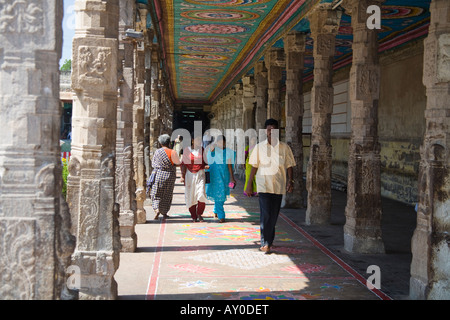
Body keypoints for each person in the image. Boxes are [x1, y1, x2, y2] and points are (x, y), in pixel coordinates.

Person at [245, 119, 296, 254]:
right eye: (268, 130)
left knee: (273, 215)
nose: (271, 132)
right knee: (266, 214)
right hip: (264, 185)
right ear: (265, 131)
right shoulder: (259, 147)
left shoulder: (284, 148)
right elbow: (253, 167)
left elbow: (290, 165)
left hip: (278, 186)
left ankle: (269, 240)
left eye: (273, 129)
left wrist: (291, 181)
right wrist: (249, 185)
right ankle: (265, 242)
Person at [149, 134, 181, 220]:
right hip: (170, 175)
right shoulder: (172, 152)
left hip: (159, 174)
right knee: (167, 194)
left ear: (160, 143)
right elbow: (178, 163)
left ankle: (156, 209)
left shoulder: (157, 152)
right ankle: (165, 212)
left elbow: (153, 164)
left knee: (156, 193)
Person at [206, 135, 236, 223]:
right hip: (215, 176)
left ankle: (216, 210)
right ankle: (221, 215)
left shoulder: (228, 152)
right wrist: (214, 146)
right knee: (218, 193)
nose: (221, 144)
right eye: (219, 142)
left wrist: (232, 178)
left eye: (222, 142)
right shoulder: (214, 150)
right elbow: (209, 153)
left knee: (221, 195)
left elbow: (230, 165)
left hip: (225, 176)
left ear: (225, 142)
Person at [180, 132, 208, 222]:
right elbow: (183, 164)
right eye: (197, 139)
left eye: (200, 139)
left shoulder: (202, 150)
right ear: (192, 140)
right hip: (189, 175)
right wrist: (182, 176)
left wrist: (206, 166)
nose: (199, 141)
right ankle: (193, 216)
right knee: (190, 195)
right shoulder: (187, 150)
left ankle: (199, 213)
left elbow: (205, 162)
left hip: (200, 174)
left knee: (201, 194)